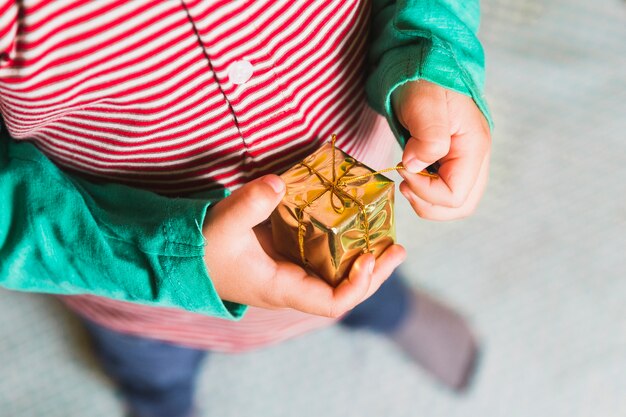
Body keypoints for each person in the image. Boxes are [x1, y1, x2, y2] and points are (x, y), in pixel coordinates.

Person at [0, 1, 492, 416]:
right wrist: (166, 258)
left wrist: (435, 54)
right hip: (134, 289)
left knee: (366, 276)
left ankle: (386, 309)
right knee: (152, 369)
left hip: (358, 225)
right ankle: (160, 399)